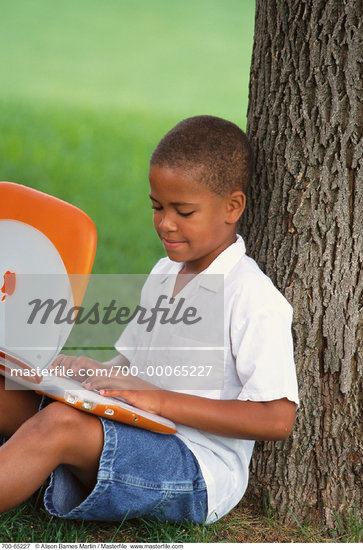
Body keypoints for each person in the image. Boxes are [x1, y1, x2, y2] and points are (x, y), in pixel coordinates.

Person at [0, 115, 299, 524]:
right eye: (157, 206)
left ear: (233, 207)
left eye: (184, 211)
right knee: (8, 389)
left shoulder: (253, 296)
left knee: (60, 425)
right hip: (136, 424)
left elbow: (277, 418)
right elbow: (132, 369)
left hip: (196, 463)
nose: (165, 223)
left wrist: (161, 400)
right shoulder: (163, 273)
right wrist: (87, 373)